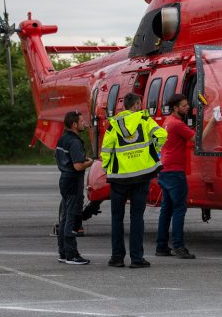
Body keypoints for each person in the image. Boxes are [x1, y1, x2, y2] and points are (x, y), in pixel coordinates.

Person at [101, 93, 167, 268]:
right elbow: (161, 135)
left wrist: (107, 167)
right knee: (137, 217)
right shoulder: (144, 120)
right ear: (137, 105)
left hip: (118, 178)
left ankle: (117, 258)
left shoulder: (113, 125)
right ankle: (137, 258)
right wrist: (152, 151)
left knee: (117, 218)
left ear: (124, 107)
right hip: (141, 175)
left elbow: (106, 150)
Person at [155, 94, 218, 259]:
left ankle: (161, 246)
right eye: (184, 105)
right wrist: (213, 121)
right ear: (176, 108)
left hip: (164, 169)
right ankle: (178, 246)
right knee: (179, 209)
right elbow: (198, 139)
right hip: (175, 172)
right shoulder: (177, 124)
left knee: (166, 209)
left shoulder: (168, 121)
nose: (187, 107)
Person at [55, 111, 94, 265]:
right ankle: (72, 254)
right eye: (82, 121)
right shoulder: (75, 142)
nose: (84, 123)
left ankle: (63, 253)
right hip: (73, 180)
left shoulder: (62, 139)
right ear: (74, 124)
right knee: (72, 217)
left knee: (65, 217)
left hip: (64, 179)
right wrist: (90, 162)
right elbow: (78, 166)